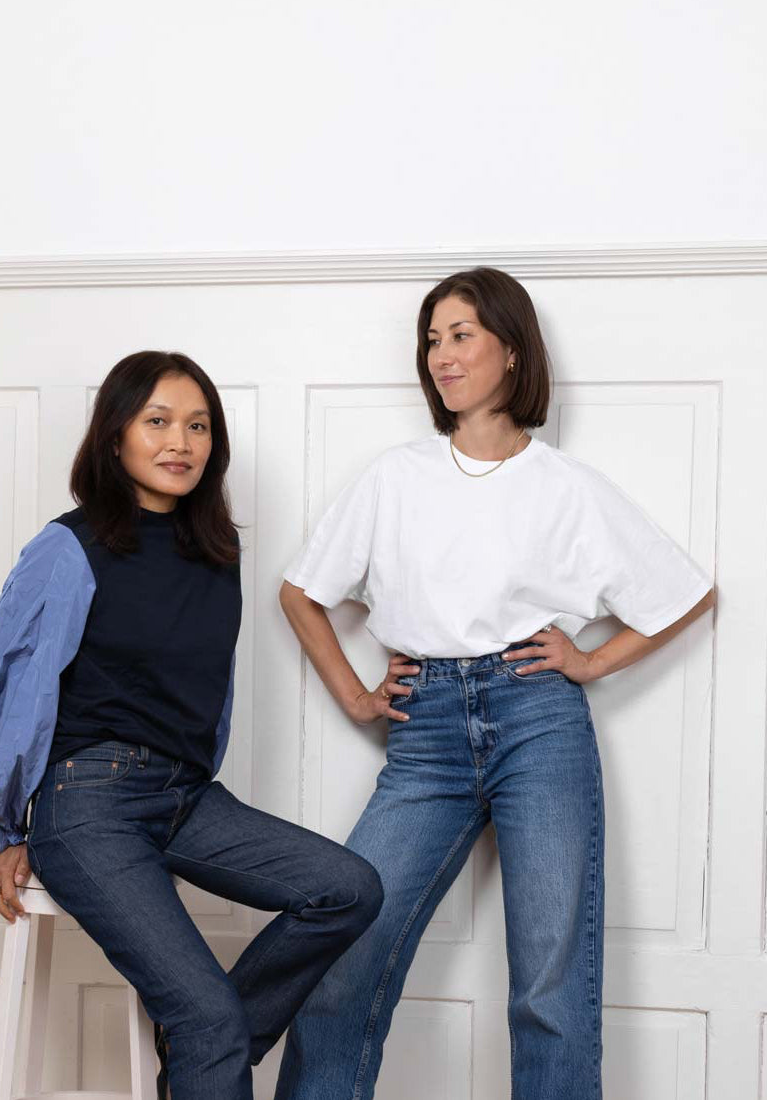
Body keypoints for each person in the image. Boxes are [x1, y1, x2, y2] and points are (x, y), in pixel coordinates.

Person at [273, 268, 716, 1100]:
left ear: (511, 351)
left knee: (550, 982)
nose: (442, 353)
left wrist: (587, 661)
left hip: (537, 718)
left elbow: (686, 594)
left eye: (462, 334)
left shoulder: (565, 486)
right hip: (425, 730)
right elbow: (300, 593)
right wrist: (359, 696)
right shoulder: (394, 476)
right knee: (345, 952)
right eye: (432, 338)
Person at [0, 350, 383, 1100]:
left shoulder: (217, 550)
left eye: (199, 425)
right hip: (86, 803)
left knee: (349, 887)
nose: (181, 441)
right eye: (158, 421)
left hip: (184, 796)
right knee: (206, 1016)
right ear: (116, 436)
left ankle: (204, 1047)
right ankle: (208, 1039)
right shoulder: (70, 546)